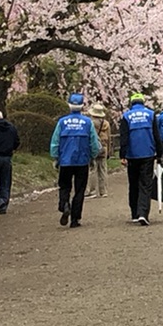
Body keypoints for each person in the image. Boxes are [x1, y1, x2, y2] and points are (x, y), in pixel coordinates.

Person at [50, 93, 101, 227]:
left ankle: (64, 204)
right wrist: (93, 156)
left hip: (65, 160)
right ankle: (75, 218)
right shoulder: (87, 122)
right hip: (82, 161)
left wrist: (55, 157)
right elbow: (94, 143)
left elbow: (55, 142)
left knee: (64, 186)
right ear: (82, 106)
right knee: (80, 189)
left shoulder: (62, 122)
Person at [120, 91, 160, 225]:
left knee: (133, 183)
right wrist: (160, 153)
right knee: (145, 184)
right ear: (143, 102)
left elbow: (124, 137)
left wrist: (122, 155)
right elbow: (156, 135)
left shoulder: (126, 116)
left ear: (131, 103)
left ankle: (135, 213)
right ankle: (143, 213)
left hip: (132, 155)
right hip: (148, 153)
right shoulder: (151, 114)